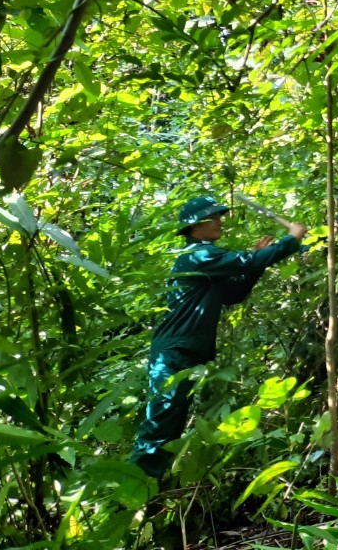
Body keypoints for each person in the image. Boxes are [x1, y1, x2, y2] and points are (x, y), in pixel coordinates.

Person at [130, 194, 307, 478]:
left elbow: (233, 294)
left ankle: (150, 487)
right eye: (214, 217)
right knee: (161, 420)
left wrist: (257, 262)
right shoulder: (197, 255)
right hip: (174, 350)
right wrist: (291, 240)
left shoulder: (207, 259)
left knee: (171, 422)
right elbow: (246, 261)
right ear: (196, 225)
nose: (219, 221)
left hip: (184, 351)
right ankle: (130, 490)